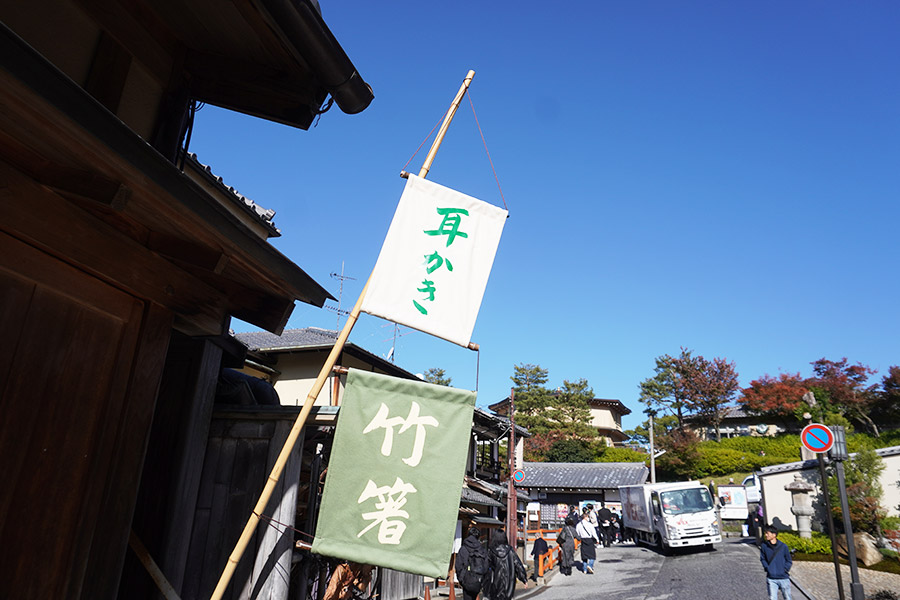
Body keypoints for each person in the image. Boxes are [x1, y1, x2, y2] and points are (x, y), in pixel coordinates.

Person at [484, 530, 527, 600]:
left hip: (495, 585)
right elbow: (518, 565)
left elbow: (485, 567)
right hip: (509, 585)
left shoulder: (491, 551)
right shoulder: (510, 551)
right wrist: (524, 579)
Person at [455, 527, 489, 600]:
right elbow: (486, 566)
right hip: (478, 581)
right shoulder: (482, 550)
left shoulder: (463, 549)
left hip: (466, 582)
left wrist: (461, 580)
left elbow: (458, 566)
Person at [760, 526, 792, 600]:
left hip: (783, 577)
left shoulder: (783, 547)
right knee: (772, 598)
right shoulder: (764, 546)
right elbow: (762, 559)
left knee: (787, 597)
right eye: (765, 533)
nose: (766, 535)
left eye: (767, 533)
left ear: (774, 535)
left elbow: (789, 560)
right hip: (771, 578)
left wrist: (785, 569)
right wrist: (767, 568)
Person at [575, 507, 600, 574]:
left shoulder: (578, 525)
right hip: (589, 539)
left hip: (583, 540)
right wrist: (597, 539)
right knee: (592, 555)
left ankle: (585, 569)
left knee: (584, 556)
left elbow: (577, 533)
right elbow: (593, 533)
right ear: (585, 517)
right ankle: (590, 565)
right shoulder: (589, 524)